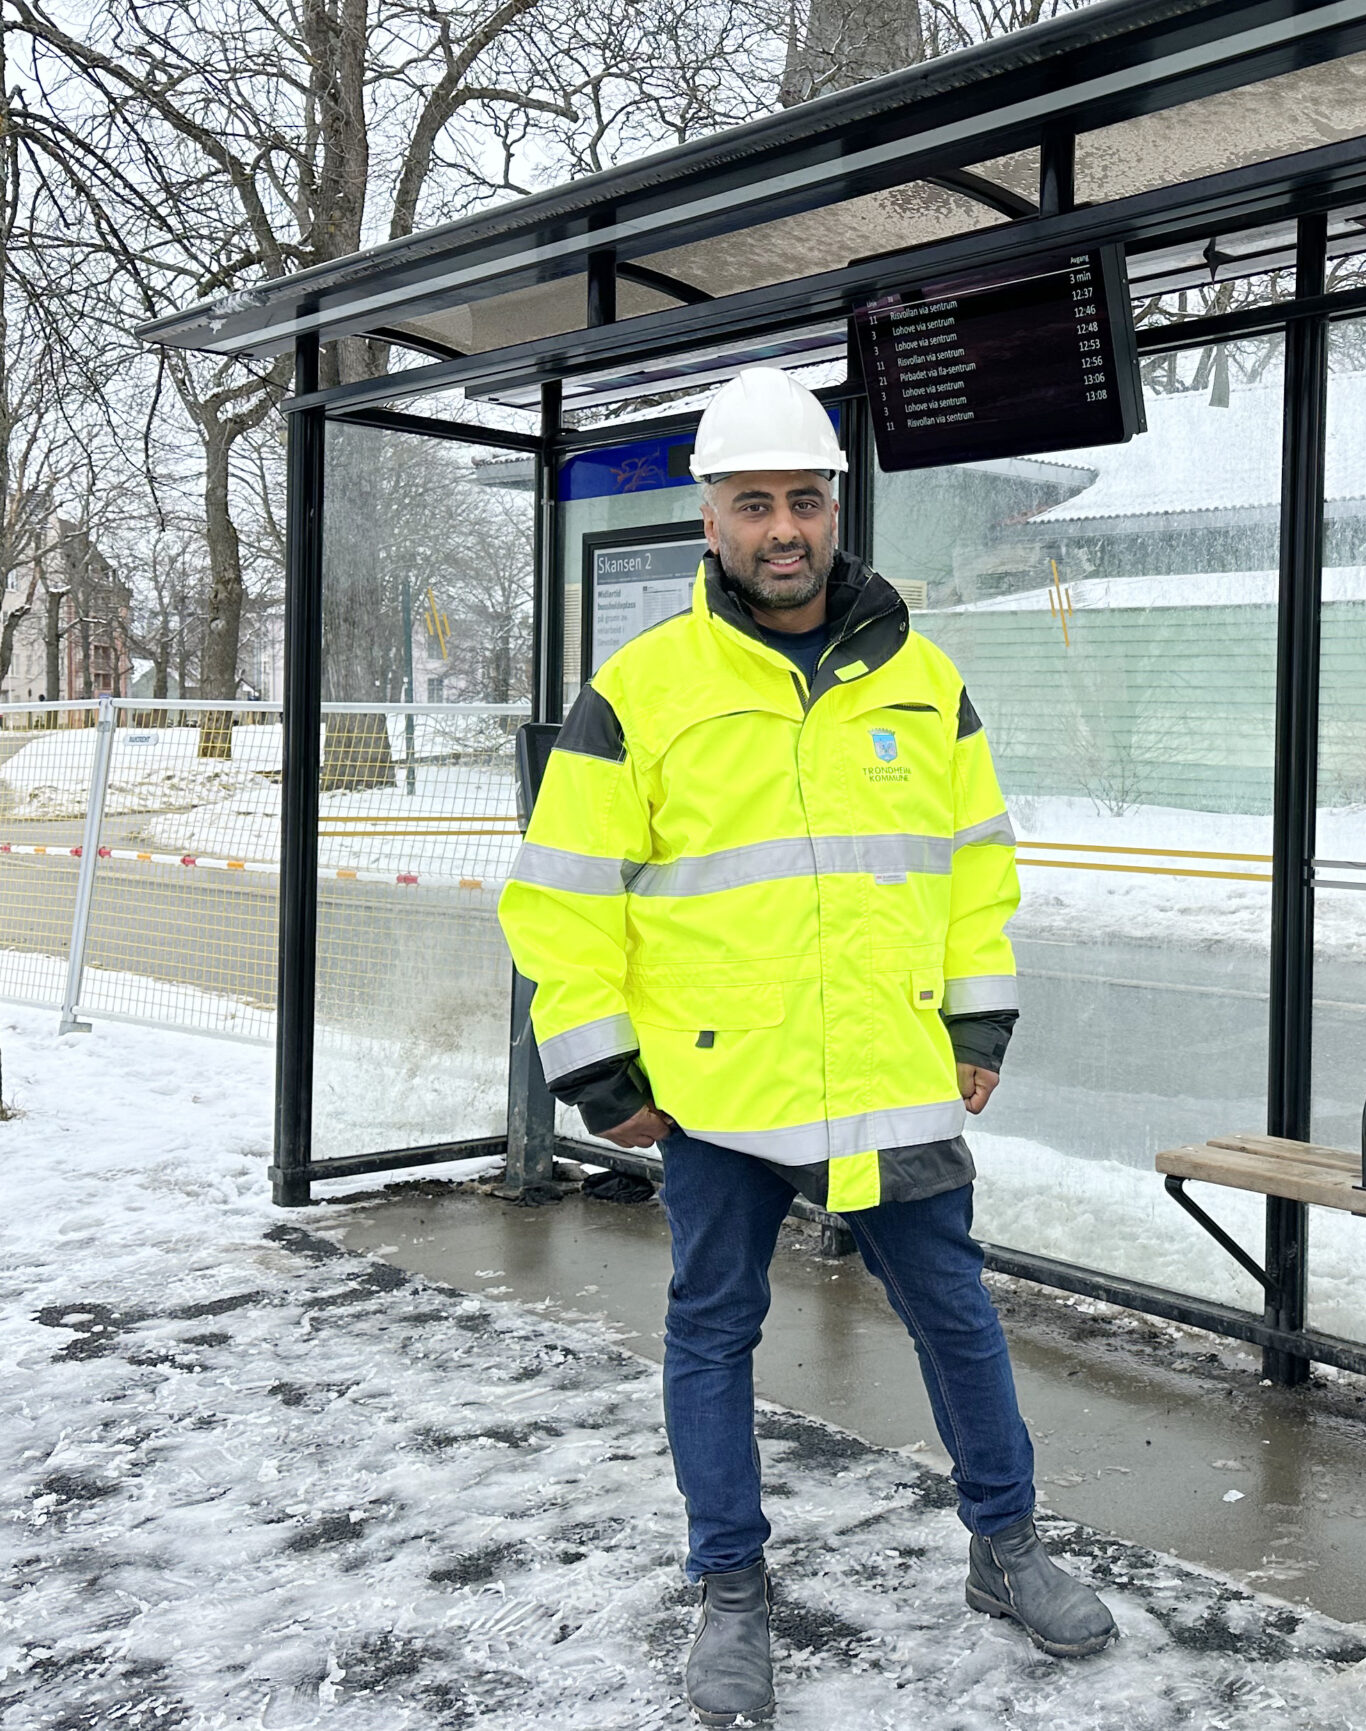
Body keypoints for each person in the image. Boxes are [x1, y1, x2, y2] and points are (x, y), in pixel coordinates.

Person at [499, 368, 1116, 1725]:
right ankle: (730, 1591)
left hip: (893, 1078)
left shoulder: (924, 679)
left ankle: (1006, 1552)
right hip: (717, 1090)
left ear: (835, 510)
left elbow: (976, 868)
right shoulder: (641, 689)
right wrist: (599, 1068)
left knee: (957, 1320)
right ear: (711, 520)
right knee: (712, 1332)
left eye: (806, 501)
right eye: (755, 503)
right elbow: (560, 892)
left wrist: (980, 1013)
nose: (785, 527)